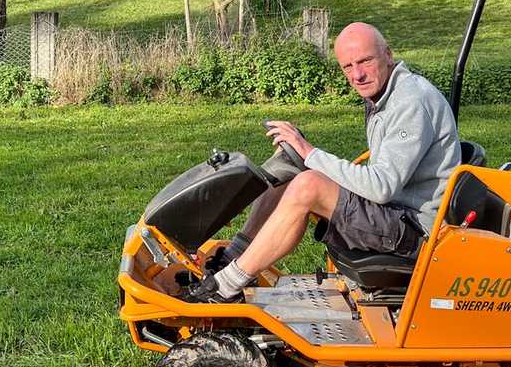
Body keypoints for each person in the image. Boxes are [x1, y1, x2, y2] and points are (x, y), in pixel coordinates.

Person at [183, 22, 461, 303]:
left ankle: (225, 287)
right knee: (291, 169)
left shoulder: (409, 101)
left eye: (365, 61)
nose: (358, 75)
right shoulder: (386, 93)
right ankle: (236, 255)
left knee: (309, 186)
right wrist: (303, 157)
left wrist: (309, 152)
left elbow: (382, 188)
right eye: (348, 67)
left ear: (388, 55)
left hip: (416, 230)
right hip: (395, 213)